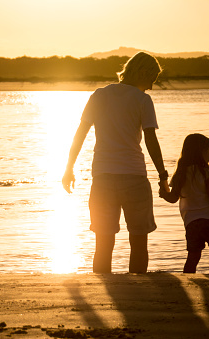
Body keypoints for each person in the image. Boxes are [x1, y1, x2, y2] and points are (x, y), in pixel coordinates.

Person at [62, 52, 169, 274]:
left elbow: (80, 133)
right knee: (138, 243)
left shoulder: (99, 95)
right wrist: (162, 176)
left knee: (103, 244)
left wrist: (68, 168)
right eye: (151, 79)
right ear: (142, 73)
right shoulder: (142, 100)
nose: (150, 86)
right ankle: (138, 290)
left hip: (103, 178)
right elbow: (150, 139)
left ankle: (102, 290)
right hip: (134, 178)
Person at [159, 133, 209, 274]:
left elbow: (173, 198)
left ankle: (188, 280)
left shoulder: (180, 174)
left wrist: (163, 193)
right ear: (200, 153)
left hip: (192, 223)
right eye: (208, 152)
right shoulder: (207, 173)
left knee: (193, 256)